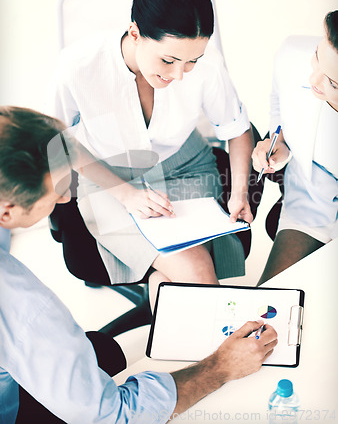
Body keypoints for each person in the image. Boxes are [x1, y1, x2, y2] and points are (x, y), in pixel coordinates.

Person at [0, 106, 278, 423]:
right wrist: (220, 367)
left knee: (106, 349)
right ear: (7, 212)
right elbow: (116, 415)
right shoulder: (25, 310)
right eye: (56, 192)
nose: (64, 200)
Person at [46, 0, 256, 305]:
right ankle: (223, 348)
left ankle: (189, 331)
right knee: (197, 273)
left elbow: (236, 129)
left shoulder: (208, 64)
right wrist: (126, 194)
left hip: (186, 167)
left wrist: (238, 194)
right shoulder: (78, 65)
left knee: (178, 277)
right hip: (108, 178)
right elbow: (56, 141)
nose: (180, 75)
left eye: (192, 61)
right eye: (168, 61)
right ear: (134, 34)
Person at [252, 11, 338, 285]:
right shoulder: (292, 54)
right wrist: (282, 145)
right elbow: (279, 100)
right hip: (310, 201)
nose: (314, 81)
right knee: (268, 303)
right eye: (317, 56)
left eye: (333, 82)